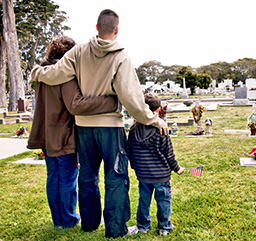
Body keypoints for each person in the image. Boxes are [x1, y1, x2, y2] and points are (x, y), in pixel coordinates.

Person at [31, 9, 167, 238]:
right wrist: (153, 119)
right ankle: (115, 229)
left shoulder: (78, 51)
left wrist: (37, 72)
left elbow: (54, 74)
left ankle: (90, 224)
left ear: (96, 28)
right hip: (110, 128)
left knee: (87, 176)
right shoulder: (122, 56)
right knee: (116, 176)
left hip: (83, 128)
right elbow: (132, 100)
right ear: (116, 30)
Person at [27, 36, 118, 229]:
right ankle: (68, 219)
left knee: (53, 176)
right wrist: (111, 101)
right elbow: (76, 105)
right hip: (62, 134)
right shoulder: (63, 73)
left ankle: (59, 220)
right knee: (67, 178)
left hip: (46, 133)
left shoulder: (42, 72)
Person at [128, 93, 185, 236]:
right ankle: (164, 227)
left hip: (143, 174)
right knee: (163, 201)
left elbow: (131, 150)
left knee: (144, 200)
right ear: (159, 109)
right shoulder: (162, 129)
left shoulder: (134, 129)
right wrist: (177, 168)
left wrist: (135, 167)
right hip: (161, 175)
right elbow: (169, 153)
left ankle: (143, 225)